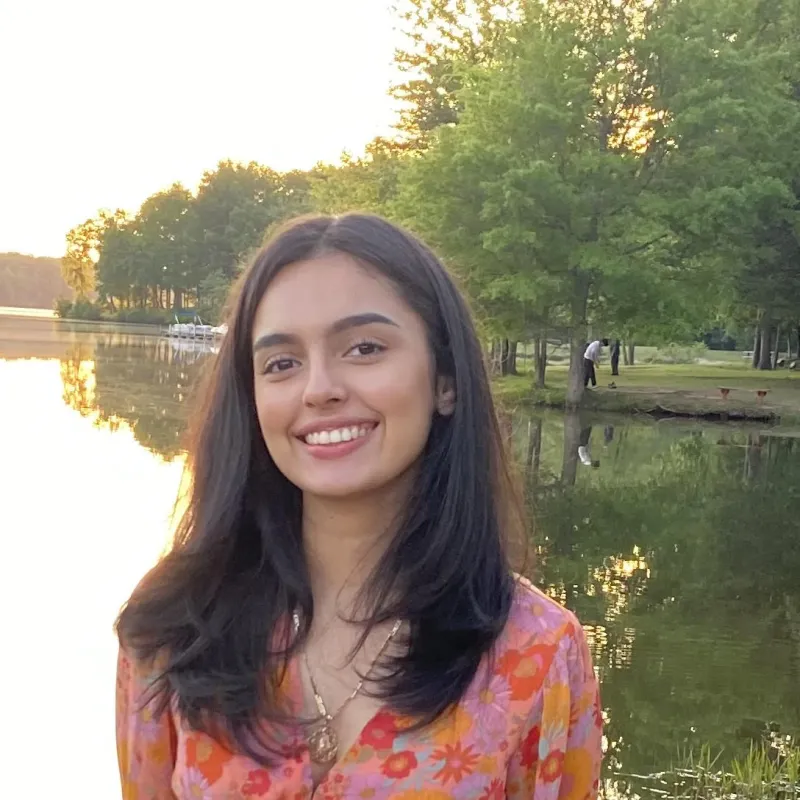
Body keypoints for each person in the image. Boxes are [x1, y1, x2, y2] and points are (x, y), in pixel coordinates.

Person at [115, 214, 602, 799]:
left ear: (445, 380)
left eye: (365, 348)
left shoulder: (535, 652)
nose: (318, 388)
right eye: (281, 363)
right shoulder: (174, 625)